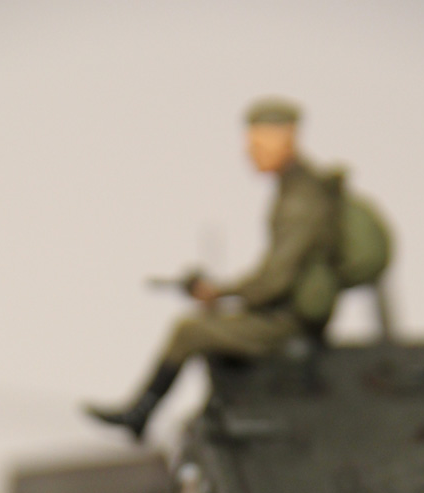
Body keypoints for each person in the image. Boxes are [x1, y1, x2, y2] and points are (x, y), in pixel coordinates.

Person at [87, 97, 357, 439]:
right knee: (205, 327)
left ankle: (139, 414)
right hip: (287, 312)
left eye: (259, 144)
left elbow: (275, 280)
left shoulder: (300, 201)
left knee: (190, 331)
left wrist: (221, 293)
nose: (251, 153)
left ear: (287, 139)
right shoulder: (296, 190)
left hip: (288, 322)